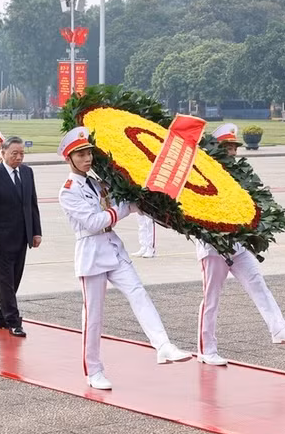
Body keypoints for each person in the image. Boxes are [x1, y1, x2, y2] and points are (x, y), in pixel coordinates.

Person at [58, 127, 192, 390]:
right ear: (69, 158)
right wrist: (122, 209)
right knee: (93, 317)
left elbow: (126, 204)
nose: (87, 159)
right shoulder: (68, 190)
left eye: (89, 153)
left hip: (113, 249)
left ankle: (163, 344)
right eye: (81, 154)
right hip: (92, 253)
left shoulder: (99, 183)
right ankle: (93, 371)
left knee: (138, 293)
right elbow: (94, 222)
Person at [195, 123, 285, 366]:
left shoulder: (240, 176)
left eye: (235, 148)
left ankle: (279, 329)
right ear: (215, 149)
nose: (233, 152)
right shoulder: (203, 175)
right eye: (228, 147)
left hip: (238, 243)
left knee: (258, 284)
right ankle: (206, 349)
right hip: (213, 247)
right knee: (211, 298)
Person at [0, 136, 42, 337]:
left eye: (21, 153)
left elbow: (32, 203)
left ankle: (0, 316)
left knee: (14, 280)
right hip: (0, 240)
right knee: (5, 281)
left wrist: (36, 231)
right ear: (3, 153)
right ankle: (13, 321)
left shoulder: (27, 172)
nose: (18, 157)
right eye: (14, 153)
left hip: (22, 236)